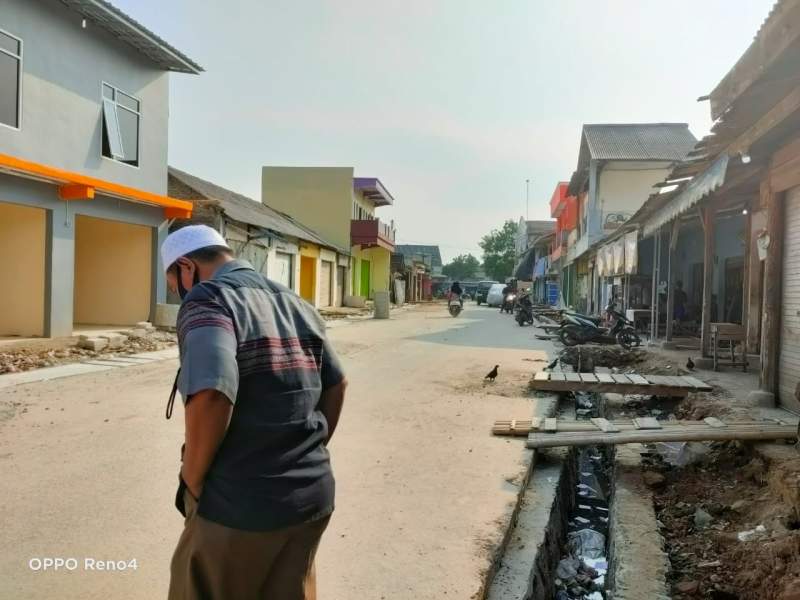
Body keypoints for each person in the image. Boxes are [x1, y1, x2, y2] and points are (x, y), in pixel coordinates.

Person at [162, 225, 347, 600]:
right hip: (310, 498)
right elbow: (336, 383)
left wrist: (193, 478)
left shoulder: (208, 299)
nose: (179, 294)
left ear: (186, 267)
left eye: (173, 283)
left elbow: (213, 393)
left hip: (239, 505)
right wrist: (304, 450)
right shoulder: (294, 301)